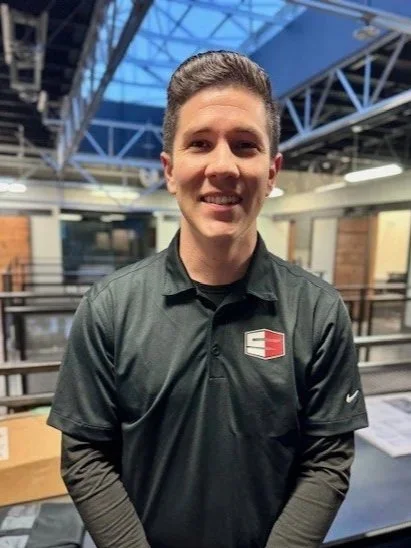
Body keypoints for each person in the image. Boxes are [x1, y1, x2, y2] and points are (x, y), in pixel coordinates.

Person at [48, 50, 368, 548]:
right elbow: (85, 454)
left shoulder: (318, 312)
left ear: (272, 171)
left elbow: (327, 460)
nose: (223, 166)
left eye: (245, 145)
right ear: (170, 169)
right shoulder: (109, 307)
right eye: (200, 143)